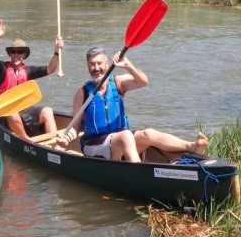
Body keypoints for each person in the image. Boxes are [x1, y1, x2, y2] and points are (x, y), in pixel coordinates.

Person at [56, 47, 208, 162]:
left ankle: (191, 147)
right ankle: (139, 175)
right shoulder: (82, 93)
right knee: (126, 136)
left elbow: (143, 81)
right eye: (92, 64)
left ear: (107, 63)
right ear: (88, 66)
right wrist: (67, 139)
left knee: (148, 134)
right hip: (94, 145)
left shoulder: (117, 83)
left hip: (120, 141)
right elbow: (75, 128)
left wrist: (127, 64)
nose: (96, 68)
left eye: (99, 63)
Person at [0, 18, 64, 140]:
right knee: (13, 115)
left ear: (24, 54)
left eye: (20, 52)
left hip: (24, 110)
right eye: (14, 52)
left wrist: (56, 52)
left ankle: (54, 143)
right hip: (5, 111)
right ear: (10, 54)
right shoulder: (2, 68)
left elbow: (50, 69)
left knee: (48, 111)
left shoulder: (28, 71)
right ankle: (27, 141)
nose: (16, 55)